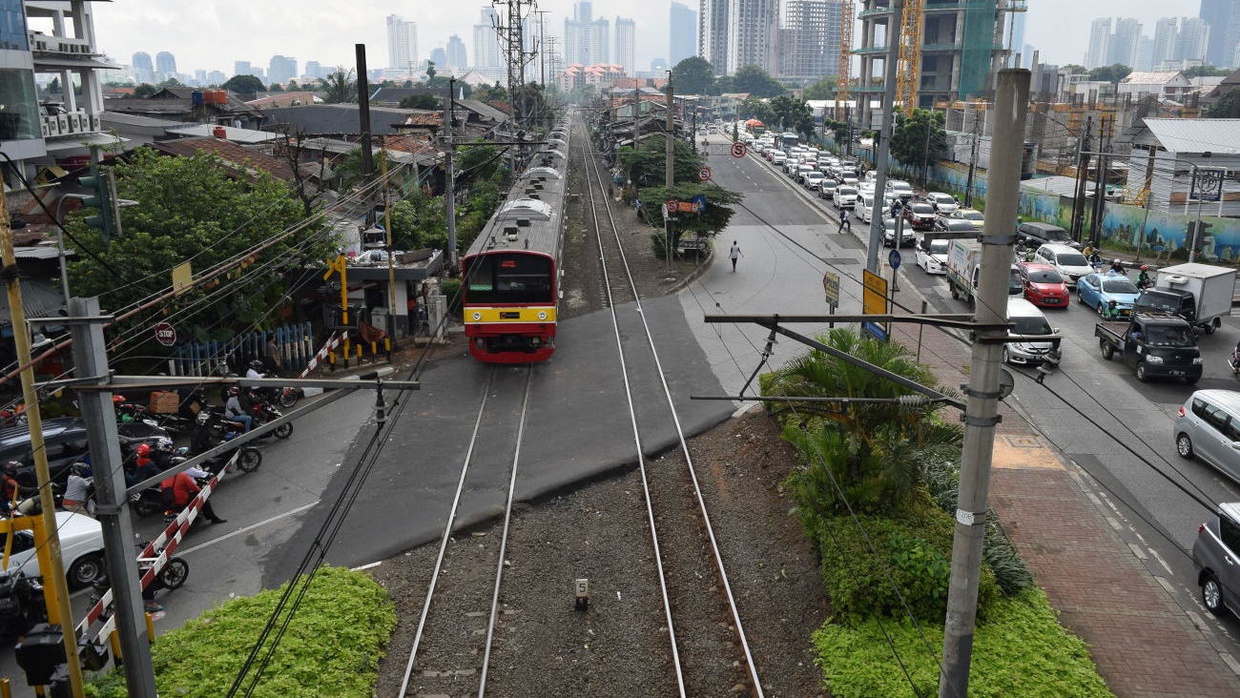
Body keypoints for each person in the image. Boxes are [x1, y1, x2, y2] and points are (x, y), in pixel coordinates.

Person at [158, 470, 225, 524]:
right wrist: (201, 491)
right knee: (203, 498)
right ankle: (213, 518)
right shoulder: (182, 475)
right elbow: (193, 487)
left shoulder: (164, 479)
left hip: (170, 503)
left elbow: (161, 489)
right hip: (182, 501)